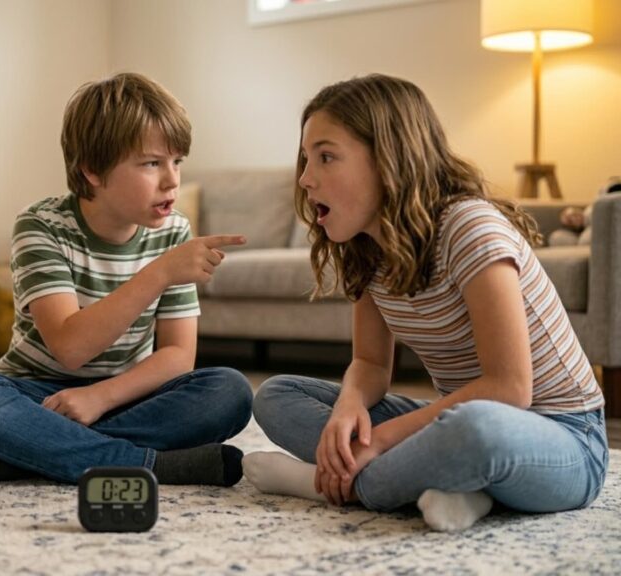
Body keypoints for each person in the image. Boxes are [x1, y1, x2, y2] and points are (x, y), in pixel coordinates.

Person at [244, 74, 607, 532]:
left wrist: (380, 441)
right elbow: (371, 363)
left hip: (565, 438)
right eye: (305, 158)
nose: (305, 178)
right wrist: (349, 407)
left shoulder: (470, 228)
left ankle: (334, 485)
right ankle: (461, 489)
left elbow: (510, 389)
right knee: (277, 396)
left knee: (476, 430)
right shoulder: (367, 248)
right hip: (458, 423)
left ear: (387, 159)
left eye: (326, 157)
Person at [0, 72, 252, 487]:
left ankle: (31, 458)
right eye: (152, 163)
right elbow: (71, 348)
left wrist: (100, 397)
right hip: (38, 396)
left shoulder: (173, 231)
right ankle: (149, 464)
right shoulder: (40, 225)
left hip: (126, 395)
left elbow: (178, 355)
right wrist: (160, 273)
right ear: (92, 171)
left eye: (177, 161)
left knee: (229, 391)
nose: (172, 179)